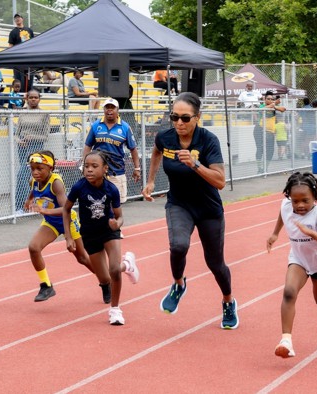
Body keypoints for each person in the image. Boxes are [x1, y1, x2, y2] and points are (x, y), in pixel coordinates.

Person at [141, 92, 239, 329]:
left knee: (215, 264)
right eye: (174, 117)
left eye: (185, 118)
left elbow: (220, 181)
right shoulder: (166, 138)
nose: (179, 123)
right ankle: (179, 284)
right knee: (178, 246)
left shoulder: (208, 141)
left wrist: (195, 164)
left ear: (197, 117)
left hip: (208, 208)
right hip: (179, 204)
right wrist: (151, 180)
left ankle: (228, 301)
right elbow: (156, 151)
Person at [22, 150, 124, 302]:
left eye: (39, 168)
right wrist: (29, 200)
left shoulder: (56, 183)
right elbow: (34, 190)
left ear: (50, 168)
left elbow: (65, 209)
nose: (35, 172)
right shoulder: (34, 181)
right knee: (33, 247)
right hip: (51, 223)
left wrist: (45, 210)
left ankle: (105, 282)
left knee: (83, 258)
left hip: (69, 222)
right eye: (32, 169)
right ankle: (46, 285)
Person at [266, 172, 317, 358]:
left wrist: (311, 233)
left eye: (305, 200)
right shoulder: (286, 205)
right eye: (295, 201)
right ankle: (286, 341)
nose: (300, 205)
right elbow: (282, 214)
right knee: (289, 292)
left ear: (315, 197)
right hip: (299, 259)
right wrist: (275, 233)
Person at [64, 150, 139, 325]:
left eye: (94, 166)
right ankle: (127, 265)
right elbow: (66, 209)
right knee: (105, 277)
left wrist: (117, 224)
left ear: (105, 168)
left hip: (109, 231)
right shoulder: (78, 187)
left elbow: (120, 216)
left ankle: (115, 310)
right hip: (89, 234)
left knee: (113, 270)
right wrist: (68, 237)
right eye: (86, 166)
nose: (89, 170)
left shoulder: (111, 189)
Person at [82, 98, 141, 204]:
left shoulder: (125, 127)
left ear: (117, 110)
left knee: (116, 205)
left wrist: (137, 168)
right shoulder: (96, 125)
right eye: (107, 107)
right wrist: (85, 165)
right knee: (97, 204)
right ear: (103, 109)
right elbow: (88, 146)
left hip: (116, 172)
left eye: (112, 108)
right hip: (98, 173)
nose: (109, 110)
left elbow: (133, 149)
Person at [13, 89, 50, 214]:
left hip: (37, 148)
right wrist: (19, 141)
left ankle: (29, 205)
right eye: (31, 97)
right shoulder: (23, 114)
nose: (33, 99)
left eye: (36, 97)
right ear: (27, 99)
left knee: (31, 175)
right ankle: (20, 206)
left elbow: (46, 136)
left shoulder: (44, 114)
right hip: (23, 147)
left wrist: (32, 137)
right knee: (23, 176)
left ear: (39, 99)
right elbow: (16, 134)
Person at [255, 91, 286, 172]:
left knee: (270, 151)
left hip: (270, 132)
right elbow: (261, 109)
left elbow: (283, 109)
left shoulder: (274, 106)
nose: (270, 100)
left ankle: (265, 168)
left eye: (271, 99)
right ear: (264, 99)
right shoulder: (262, 105)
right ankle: (259, 168)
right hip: (260, 130)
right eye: (268, 98)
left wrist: (274, 105)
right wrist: (273, 104)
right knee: (260, 149)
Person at [7, 13, 35, 94]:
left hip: (29, 59)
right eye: (15, 18)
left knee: (29, 81)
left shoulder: (29, 30)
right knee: (19, 81)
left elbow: (33, 43)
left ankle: (29, 99)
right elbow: (10, 46)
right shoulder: (13, 32)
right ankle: (19, 100)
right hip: (18, 59)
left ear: (22, 19)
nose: (17, 19)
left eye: (19, 17)